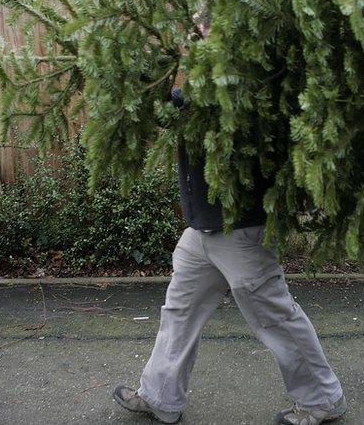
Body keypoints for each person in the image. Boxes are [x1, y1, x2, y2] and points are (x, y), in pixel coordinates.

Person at [112, 51, 347, 424]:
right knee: (180, 312)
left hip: (240, 227)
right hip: (202, 228)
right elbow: (164, 107)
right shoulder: (197, 83)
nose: (197, 32)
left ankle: (322, 399)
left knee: (276, 317)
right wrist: (166, 67)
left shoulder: (247, 77)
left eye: (204, 25)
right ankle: (160, 397)